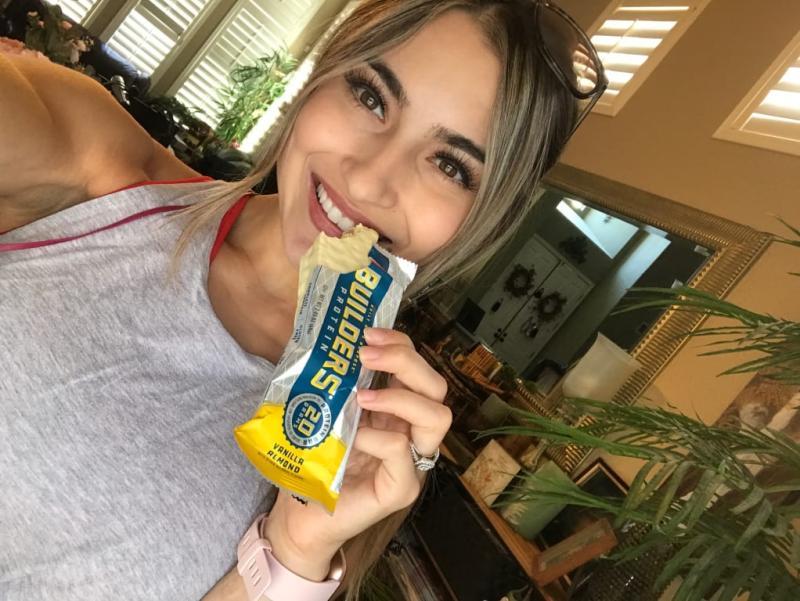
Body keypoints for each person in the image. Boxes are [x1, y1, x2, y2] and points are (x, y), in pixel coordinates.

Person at [0, 1, 605, 599]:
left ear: (482, 222)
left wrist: (293, 553)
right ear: (321, 75)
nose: (368, 180)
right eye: (371, 97)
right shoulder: (100, 176)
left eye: (450, 166)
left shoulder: (365, 444)